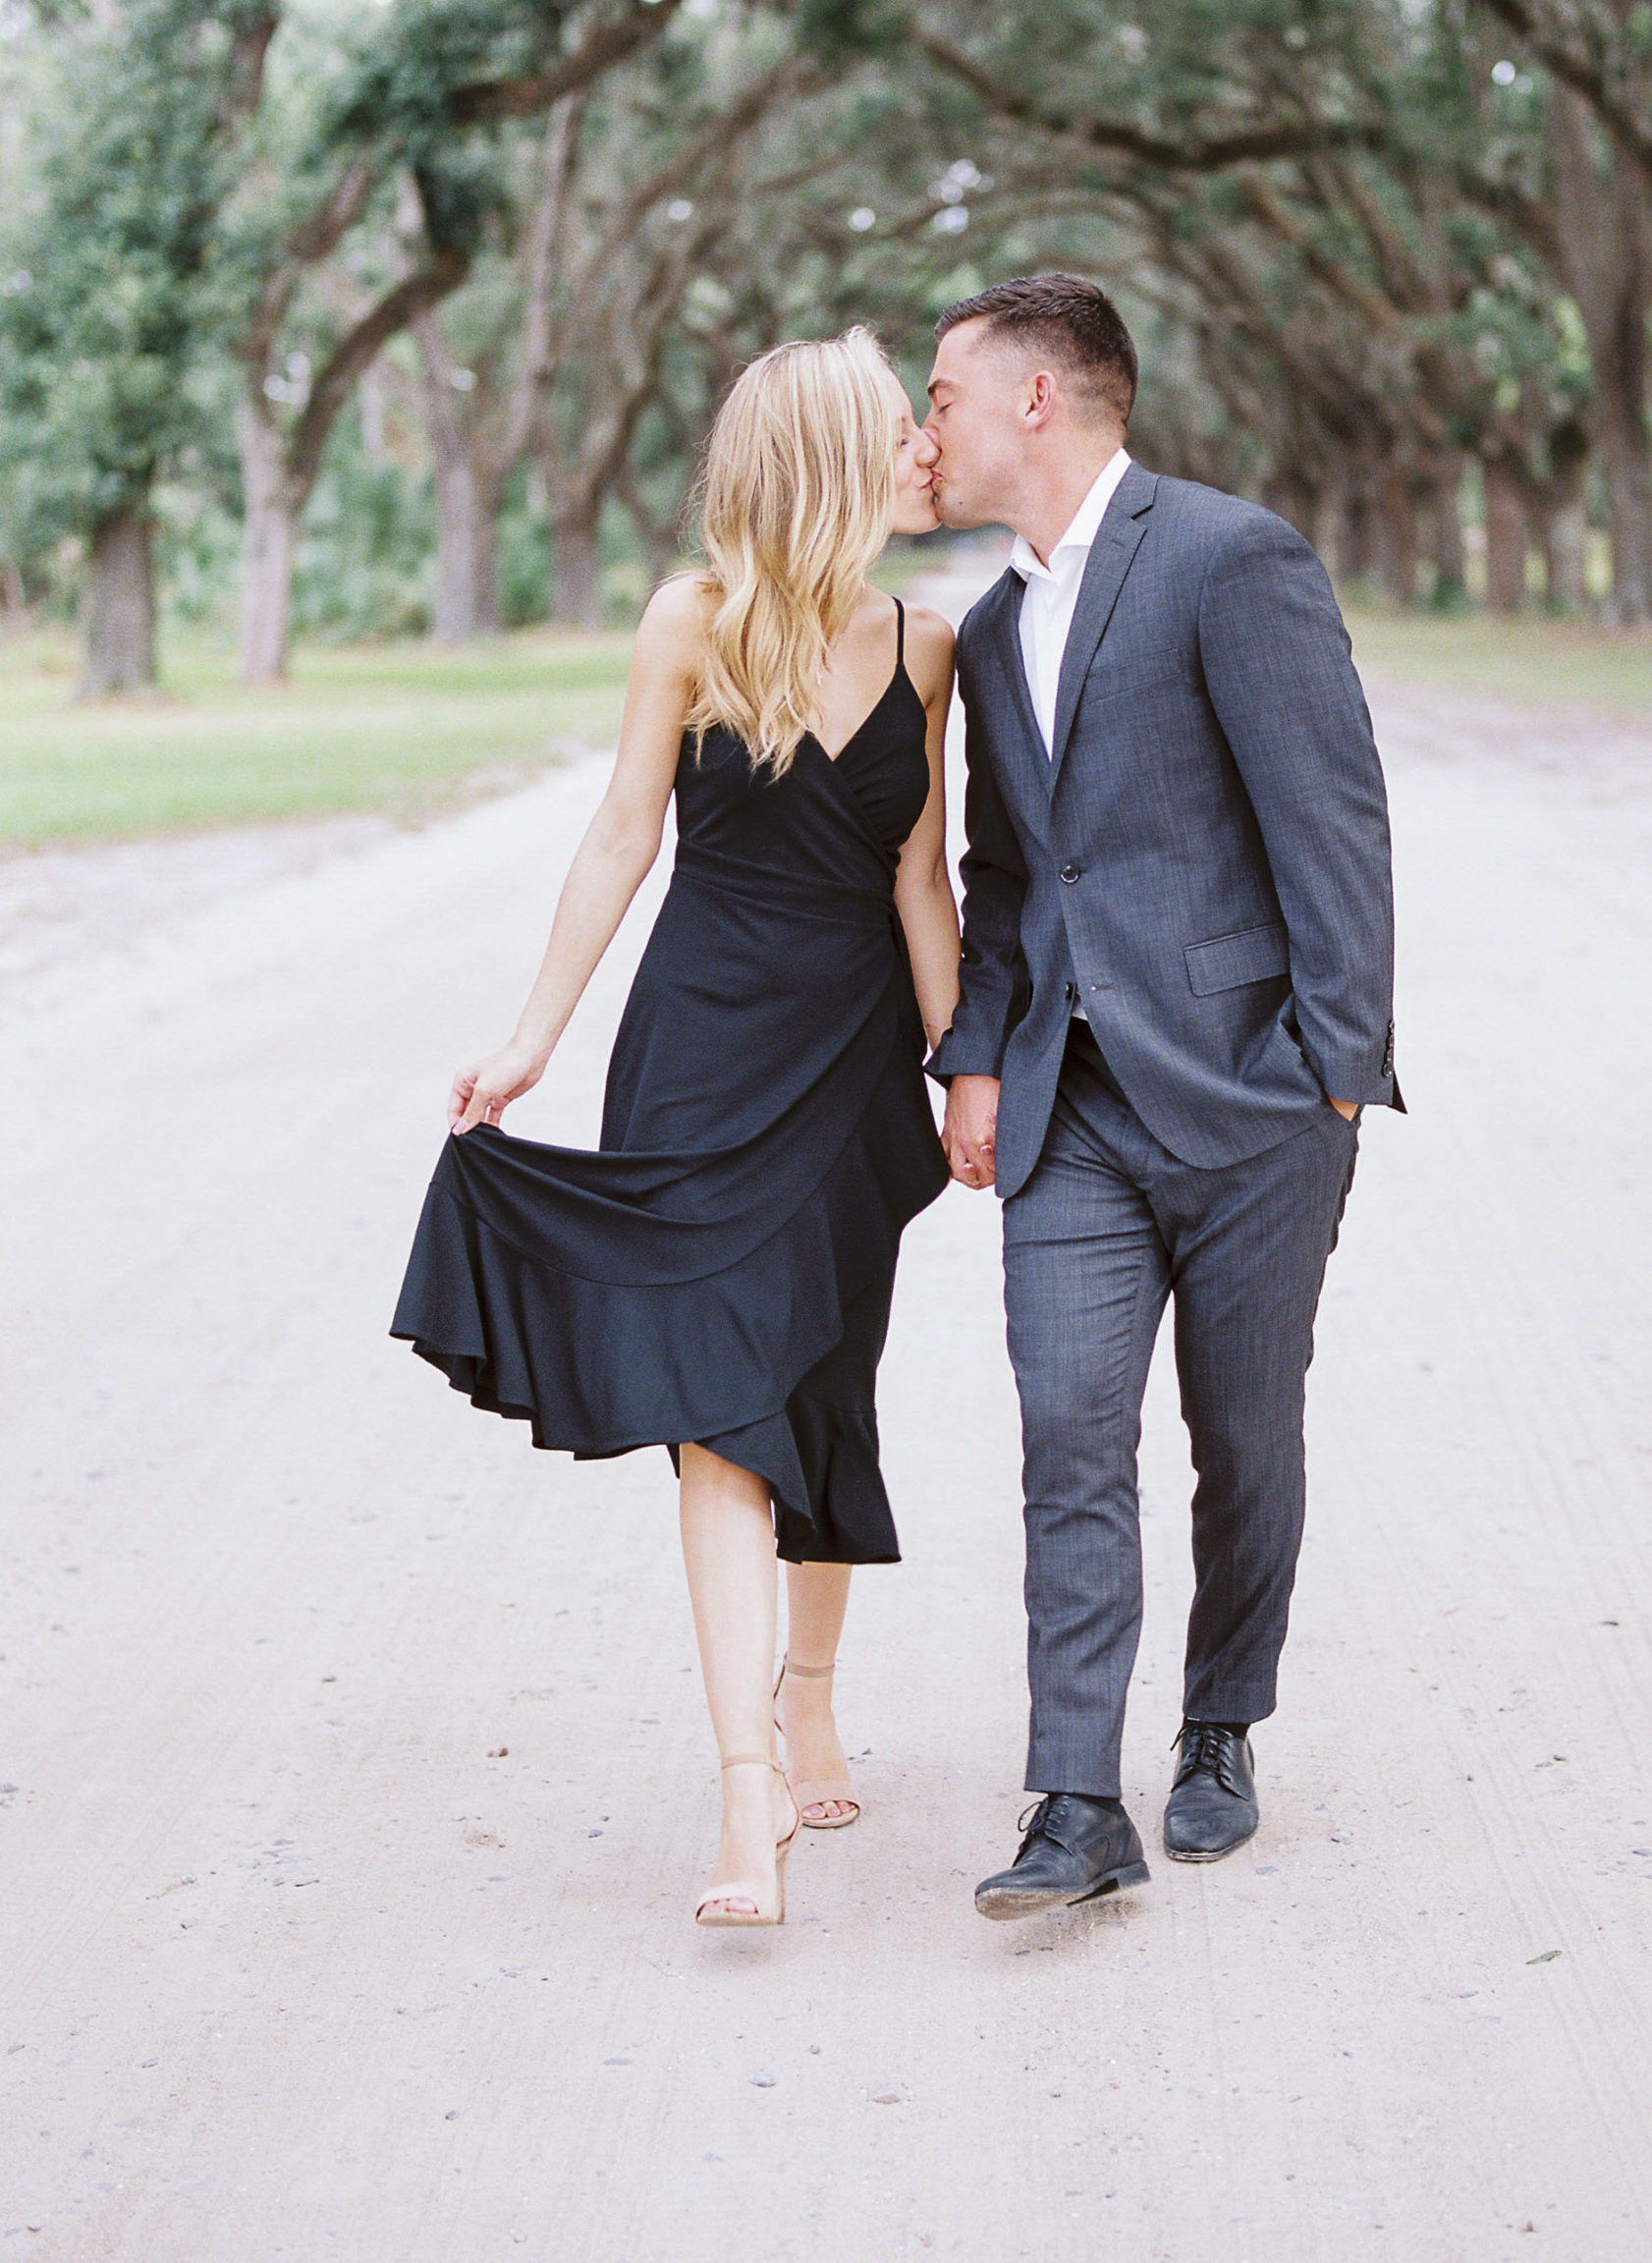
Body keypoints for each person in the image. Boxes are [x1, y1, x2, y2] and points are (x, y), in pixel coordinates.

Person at [392, 330, 958, 1927]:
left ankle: (815, 1692)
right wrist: (527, 1041)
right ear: (834, 457)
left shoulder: (929, 643)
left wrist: (959, 1064)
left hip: (849, 1072)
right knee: (721, 1410)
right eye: (897, 432)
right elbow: (622, 836)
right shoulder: (690, 623)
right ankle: (744, 1793)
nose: (926, 448)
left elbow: (924, 879)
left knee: (825, 1380)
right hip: (701, 1056)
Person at [923, 274, 1401, 1920]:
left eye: (943, 396)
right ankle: (1074, 1801)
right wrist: (976, 1049)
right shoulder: (987, 631)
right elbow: (1004, 876)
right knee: (1068, 1428)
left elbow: (1332, 825)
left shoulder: (1225, 557)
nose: (931, 425)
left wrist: (1334, 1082)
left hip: (1256, 1102)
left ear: (1036, 400)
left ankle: (1219, 1729)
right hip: (1074, 1114)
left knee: (1243, 1440)